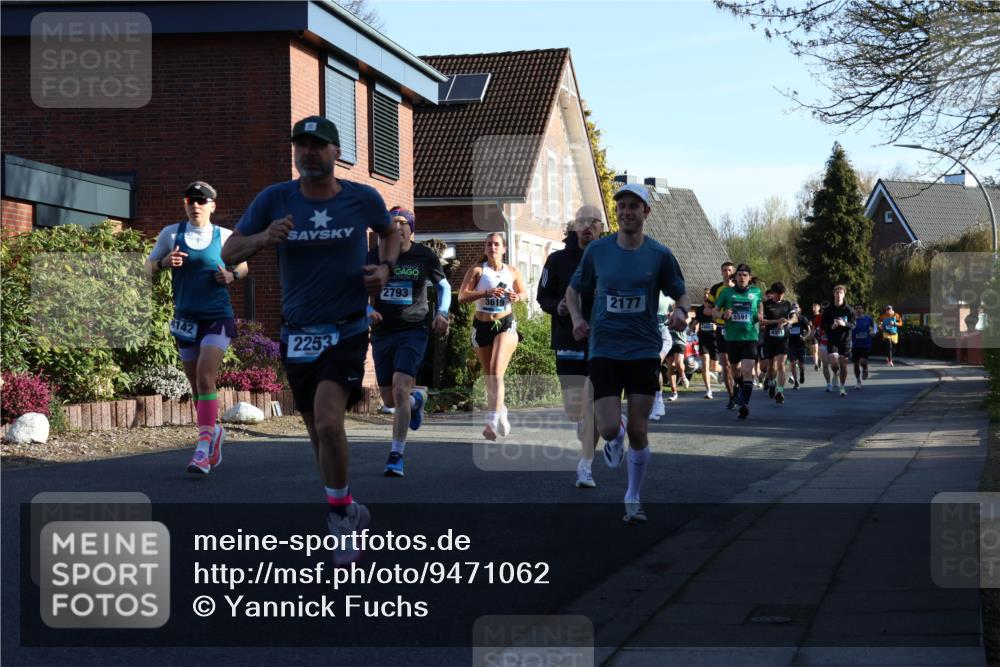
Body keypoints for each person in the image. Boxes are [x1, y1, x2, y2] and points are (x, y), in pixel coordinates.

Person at [221, 116, 400, 562]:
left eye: (318, 146)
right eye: (302, 145)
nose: (308, 153)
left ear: (336, 153)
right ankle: (346, 504)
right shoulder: (275, 199)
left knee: (326, 420)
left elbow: (390, 231)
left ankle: (339, 518)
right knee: (316, 431)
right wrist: (265, 236)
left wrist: (386, 267)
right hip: (297, 331)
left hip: (347, 327)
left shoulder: (362, 198)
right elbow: (229, 252)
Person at [566, 183, 689, 525]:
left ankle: (633, 495)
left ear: (646, 212)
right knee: (607, 428)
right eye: (621, 207)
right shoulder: (598, 252)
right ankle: (613, 438)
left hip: (644, 350)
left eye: (634, 206)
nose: (626, 212)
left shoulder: (660, 255)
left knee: (638, 429)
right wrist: (576, 318)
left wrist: (681, 313)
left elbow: (681, 295)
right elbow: (574, 290)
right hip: (604, 348)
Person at [146, 181, 247, 475]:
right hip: (185, 320)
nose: (196, 206)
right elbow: (145, 268)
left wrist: (231, 276)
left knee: (205, 374)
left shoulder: (224, 236)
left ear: (213, 206)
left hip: (217, 317)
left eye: (202, 201)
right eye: (191, 200)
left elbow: (243, 266)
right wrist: (164, 262)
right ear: (185, 204)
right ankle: (213, 432)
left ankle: (202, 449)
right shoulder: (172, 234)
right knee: (196, 385)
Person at [367, 207, 449, 477]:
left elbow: (444, 287)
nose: (397, 226)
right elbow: (357, 287)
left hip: (414, 328)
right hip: (383, 331)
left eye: (403, 222)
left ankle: (396, 454)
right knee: (391, 398)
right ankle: (416, 402)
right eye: (392, 222)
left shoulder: (424, 255)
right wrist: (368, 311)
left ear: (411, 228)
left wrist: (442, 313)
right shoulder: (374, 255)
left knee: (400, 387)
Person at [537, 205, 604, 488]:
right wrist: (558, 307)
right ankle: (584, 425)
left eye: (594, 222)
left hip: (604, 342)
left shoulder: (611, 259)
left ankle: (585, 465)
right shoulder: (556, 260)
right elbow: (543, 296)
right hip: (568, 339)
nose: (587, 226)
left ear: (602, 228)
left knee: (597, 404)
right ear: (574, 227)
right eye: (582, 221)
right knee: (576, 410)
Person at [458, 233, 529, 441]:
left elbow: (524, 293)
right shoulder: (478, 271)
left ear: (504, 249)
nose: (493, 247)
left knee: (497, 372)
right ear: (485, 248)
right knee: (490, 376)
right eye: (489, 244)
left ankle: (490, 422)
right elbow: (462, 296)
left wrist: (517, 296)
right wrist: (485, 293)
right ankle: (501, 410)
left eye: (497, 244)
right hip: (481, 326)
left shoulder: (512, 271)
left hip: (505, 324)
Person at [712, 264, 764, 420]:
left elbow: (760, 303)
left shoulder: (756, 292)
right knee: (735, 371)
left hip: (750, 337)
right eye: (739, 274)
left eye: (745, 275)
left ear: (749, 277)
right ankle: (741, 390)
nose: (742, 277)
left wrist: (760, 314)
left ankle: (744, 404)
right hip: (732, 338)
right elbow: (714, 311)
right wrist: (723, 315)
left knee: (748, 370)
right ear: (735, 277)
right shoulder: (727, 293)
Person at [706, 262, 736, 408]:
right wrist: (715, 312)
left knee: (737, 365)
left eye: (729, 270)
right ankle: (731, 396)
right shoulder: (716, 288)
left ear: (734, 272)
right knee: (726, 365)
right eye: (724, 270)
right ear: (721, 272)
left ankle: (739, 385)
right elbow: (707, 309)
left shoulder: (740, 288)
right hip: (721, 328)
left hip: (737, 329)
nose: (727, 272)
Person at [761, 282, 794, 405]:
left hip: (783, 339)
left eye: (782, 294)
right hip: (770, 340)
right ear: (772, 293)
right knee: (771, 367)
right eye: (777, 294)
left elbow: (794, 317)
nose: (780, 297)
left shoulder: (787, 304)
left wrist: (786, 321)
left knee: (781, 366)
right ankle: (771, 382)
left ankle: (780, 392)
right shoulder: (766, 305)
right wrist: (776, 321)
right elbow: (761, 322)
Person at [822, 285, 856, 397]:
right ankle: (835, 373)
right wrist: (831, 326)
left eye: (841, 293)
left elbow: (853, 325)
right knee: (834, 363)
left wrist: (844, 324)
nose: (838, 295)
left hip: (845, 341)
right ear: (834, 295)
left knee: (843, 364)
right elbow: (823, 325)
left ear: (844, 294)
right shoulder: (828, 310)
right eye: (836, 293)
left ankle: (842, 387)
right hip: (832, 340)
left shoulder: (849, 310)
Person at [694, 288, 719, 398]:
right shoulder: (699, 309)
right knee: (705, 364)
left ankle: (723, 371)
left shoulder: (716, 308)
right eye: (704, 294)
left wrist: (716, 326)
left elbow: (722, 321)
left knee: (714, 367)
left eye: (708, 294)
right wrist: (689, 327)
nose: (706, 296)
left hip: (715, 339)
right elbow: (696, 321)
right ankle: (708, 390)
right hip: (703, 339)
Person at [786, 303, 811, 388]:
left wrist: (805, 337)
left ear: (799, 309)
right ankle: (796, 382)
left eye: (796, 307)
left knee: (801, 364)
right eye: (793, 308)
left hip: (800, 344)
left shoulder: (803, 319)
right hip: (791, 345)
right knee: (792, 364)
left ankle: (802, 373)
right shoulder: (788, 320)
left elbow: (809, 331)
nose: (795, 309)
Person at [852, 304, 875, 389]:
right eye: (856, 308)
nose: (858, 310)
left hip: (866, 344)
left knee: (862, 361)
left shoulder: (868, 318)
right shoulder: (852, 319)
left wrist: (873, 331)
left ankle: (865, 368)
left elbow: (875, 326)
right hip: (854, 344)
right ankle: (858, 381)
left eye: (860, 308)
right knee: (856, 364)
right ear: (854, 310)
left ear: (863, 310)